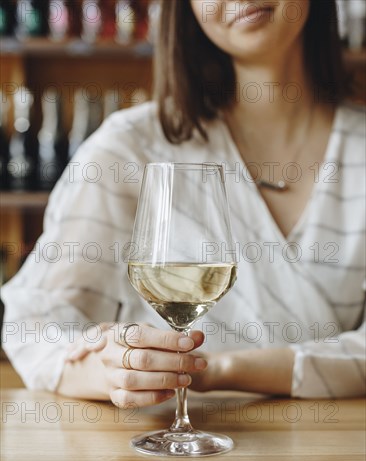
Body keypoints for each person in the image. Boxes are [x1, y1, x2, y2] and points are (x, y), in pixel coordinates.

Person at [2, 0, 365, 407]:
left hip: (338, 458)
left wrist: (218, 369)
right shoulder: (130, 149)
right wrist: (111, 370)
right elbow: (33, 326)